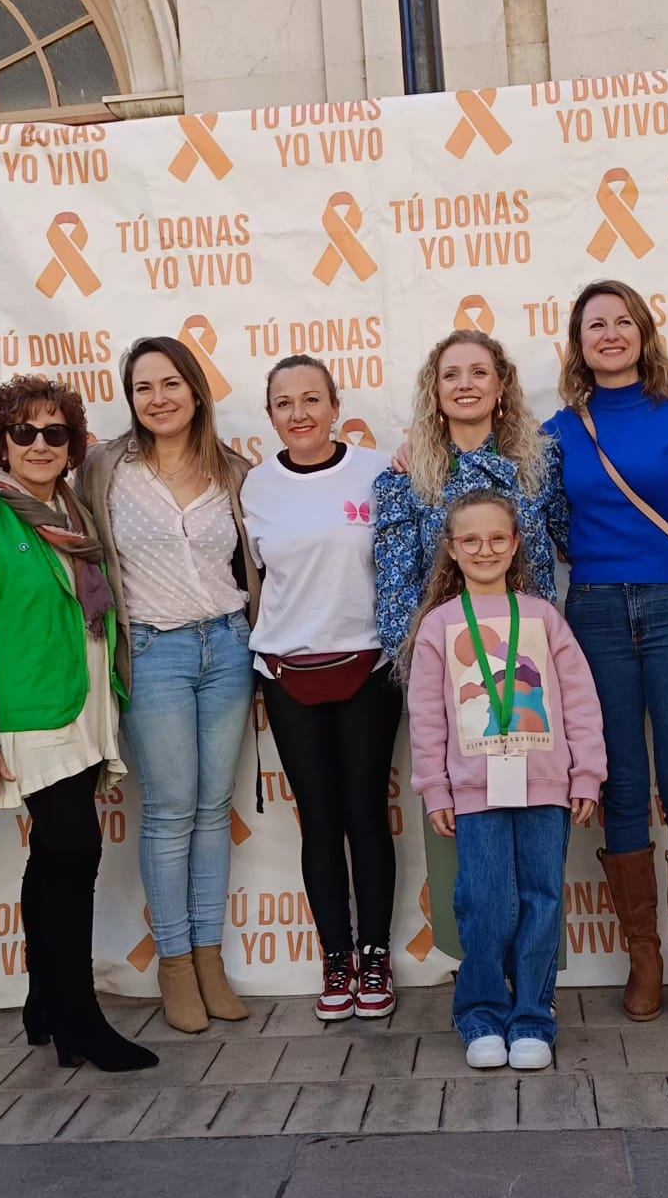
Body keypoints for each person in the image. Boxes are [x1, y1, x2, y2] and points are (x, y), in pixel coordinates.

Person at [0, 375, 157, 1073]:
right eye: (24, 432)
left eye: (54, 432)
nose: (39, 444)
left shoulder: (75, 511)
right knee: (74, 852)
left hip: (88, 708)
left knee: (58, 858)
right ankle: (80, 1021)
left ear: (71, 445)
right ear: (0, 441)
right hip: (33, 718)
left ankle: (43, 998)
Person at [546, 279, 668, 1029]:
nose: (609, 333)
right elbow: (543, 524)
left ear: (643, 331)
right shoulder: (560, 430)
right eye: (594, 323)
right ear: (578, 341)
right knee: (621, 787)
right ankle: (643, 958)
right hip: (593, 614)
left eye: (622, 320)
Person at [81, 337, 259, 1035]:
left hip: (228, 644)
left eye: (170, 384)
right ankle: (176, 962)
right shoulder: (105, 468)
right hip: (152, 650)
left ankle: (210, 956)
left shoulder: (235, 470)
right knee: (169, 810)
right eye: (142, 387)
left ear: (194, 390)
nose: (157, 398)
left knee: (214, 807)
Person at [374, 329, 569, 961]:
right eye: (451, 373)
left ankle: (533, 973)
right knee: (464, 830)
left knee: (534, 823)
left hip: (531, 669)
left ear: (501, 386)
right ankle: (478, 971)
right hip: (452, 678)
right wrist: (425, 669)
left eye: (479, 372)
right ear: (434, 390)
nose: (465, 384)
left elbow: (571, 544)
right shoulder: (405, 477)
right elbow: (395, 587)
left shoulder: (539, 465)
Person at [405, 491, 605, 1071]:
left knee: (541, 900)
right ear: (451, 549)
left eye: (497, 538)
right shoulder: (439, 626)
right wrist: (435, 787)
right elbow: (427, 715)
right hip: (475, 789)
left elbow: (580, 701)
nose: (484, 549)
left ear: (516, 544)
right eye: (470, 540)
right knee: (485, 901)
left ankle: (533, 1018)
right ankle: (482, 1013)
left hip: (544, 783)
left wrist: (586, 774)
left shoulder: (543, 617)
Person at [242, 355, 400, 1022]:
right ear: (270, 414)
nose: (299, 413)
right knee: (319, 821)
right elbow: (250, 580)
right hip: (287, 672)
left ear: (336, 405)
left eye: (311, 398)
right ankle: (334, 955)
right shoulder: (253, 486)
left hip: (368, 666)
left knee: (365, 814)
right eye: (284, 402)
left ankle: (373, 955)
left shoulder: (377, 470)